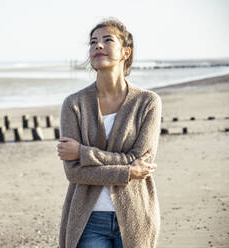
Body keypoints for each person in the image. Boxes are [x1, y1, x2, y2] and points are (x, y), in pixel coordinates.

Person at [57, 17, 162, 248]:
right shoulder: (74, 104)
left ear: (126, 52)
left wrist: (83, 153)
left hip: (135, 215)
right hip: (88, 220)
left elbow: (141, 163)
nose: (98, 46)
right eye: (93, 41)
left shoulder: (147, 102)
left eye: (107, 40)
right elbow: (74, 173)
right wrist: (127, 171)